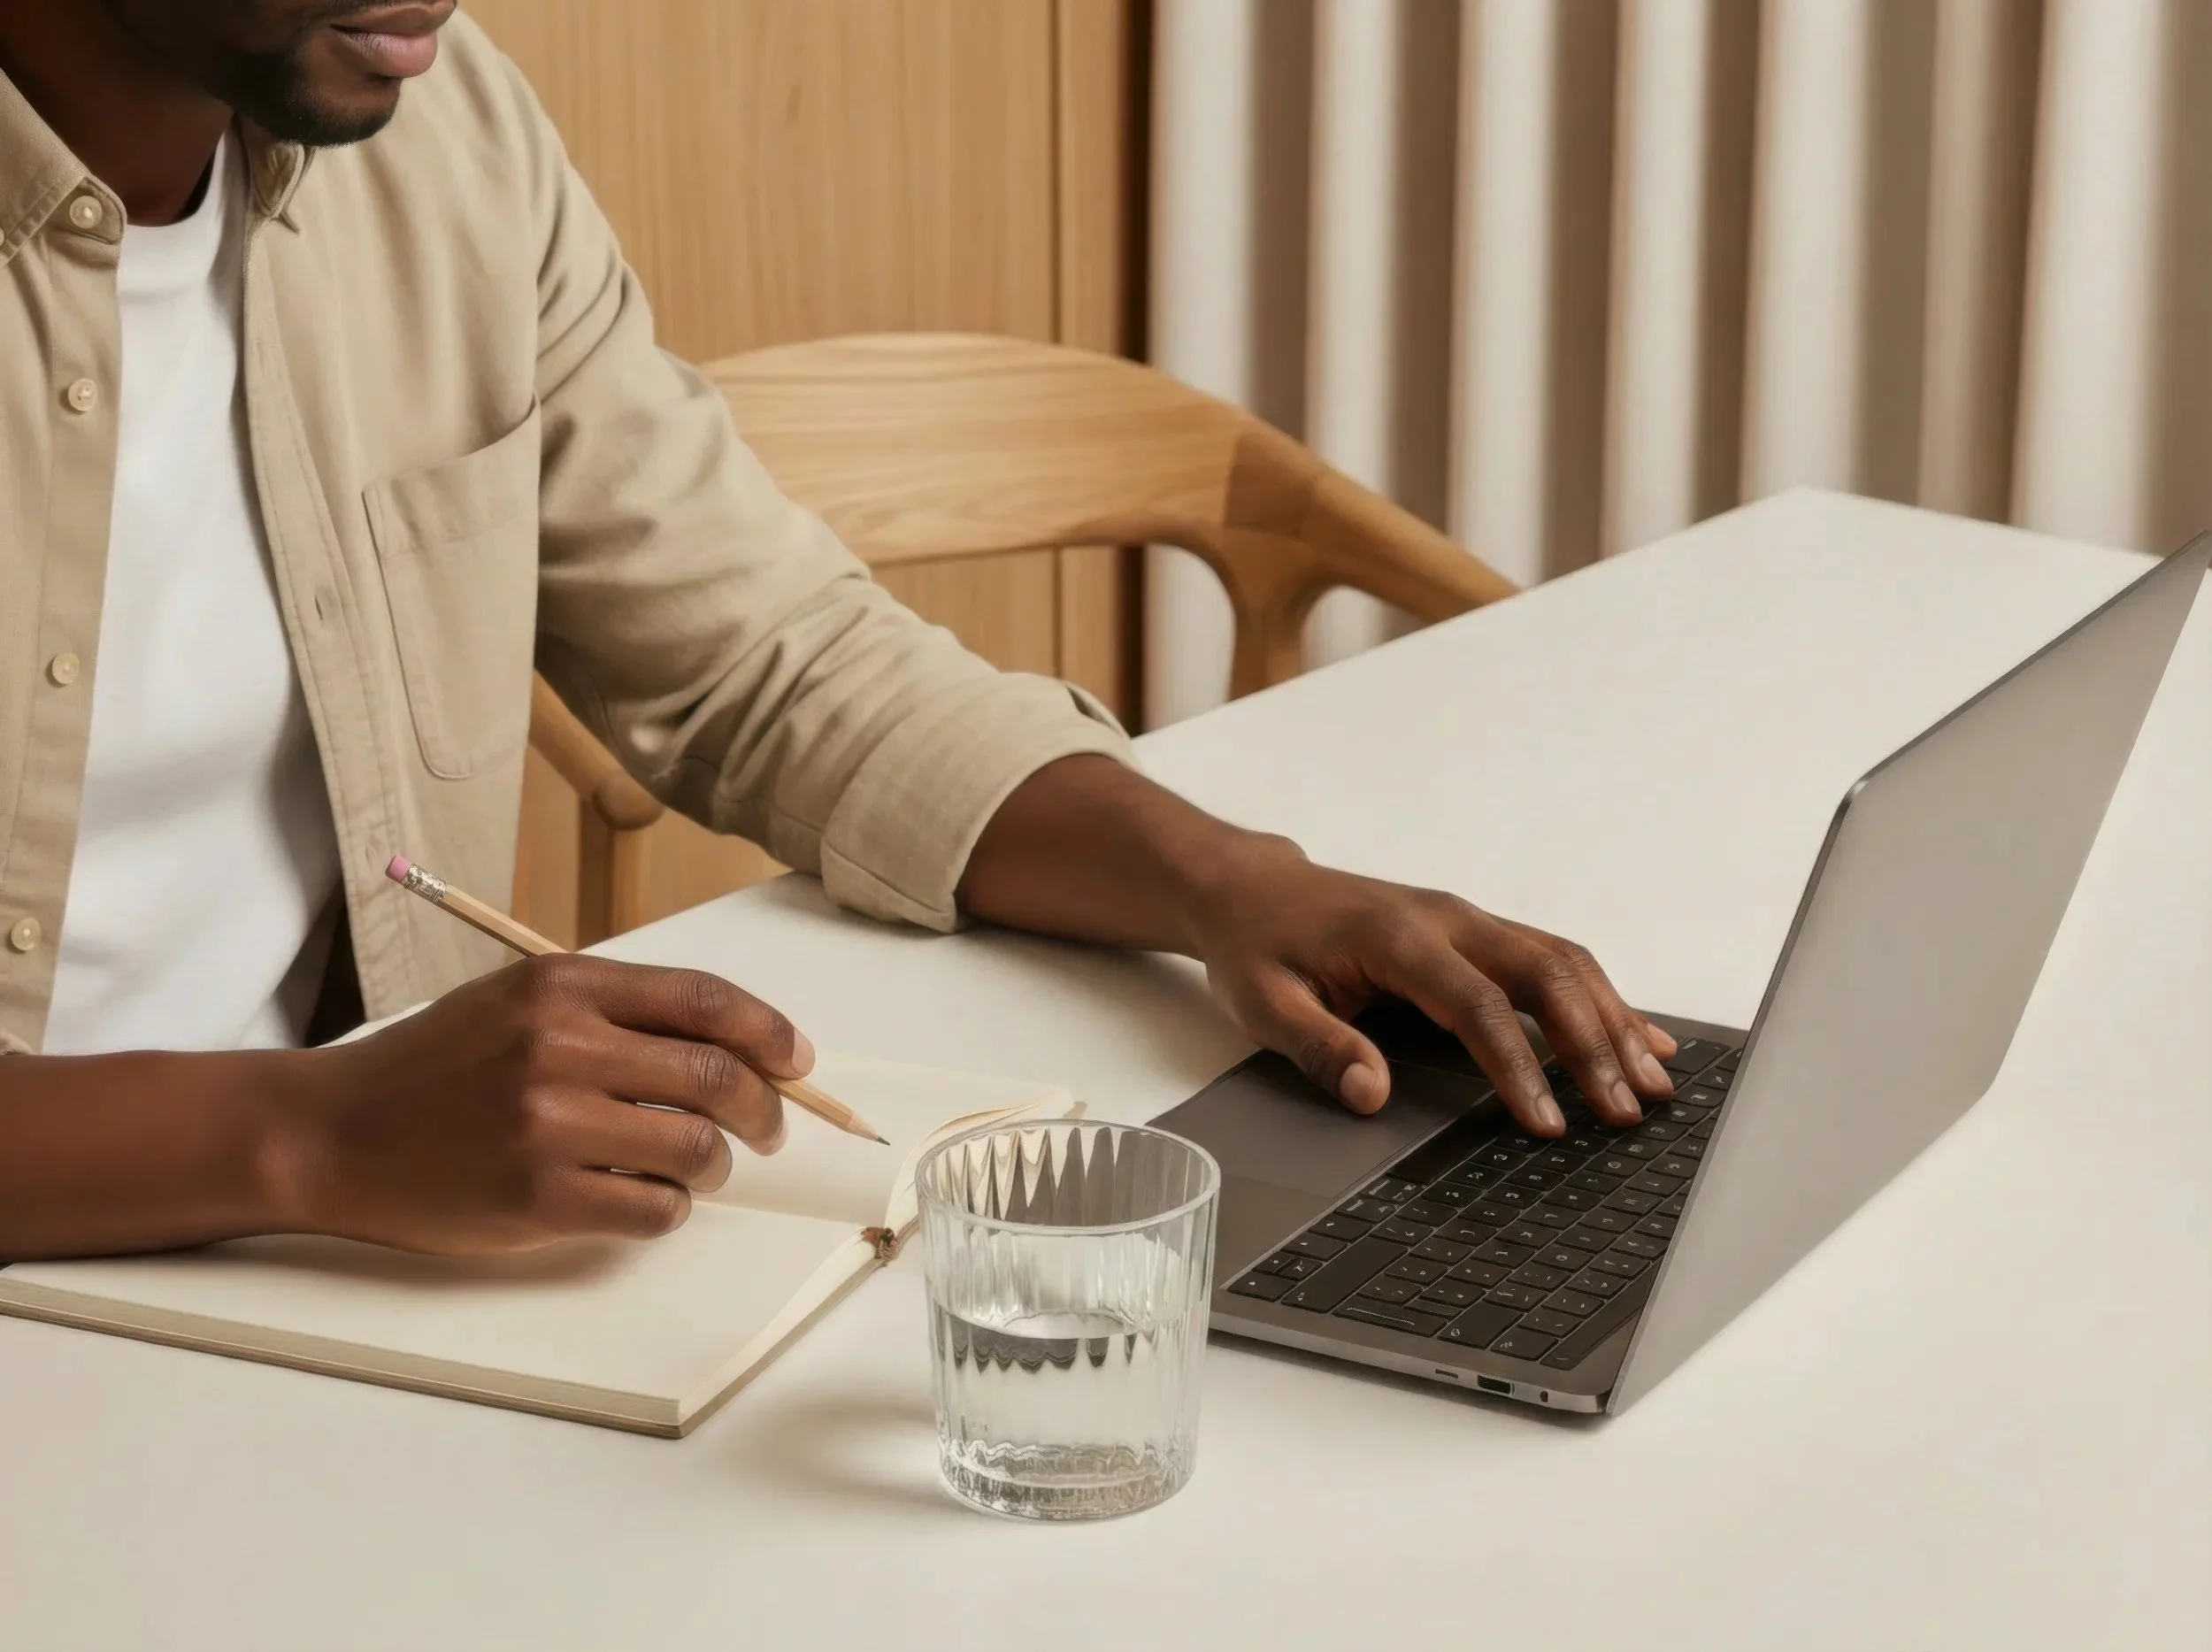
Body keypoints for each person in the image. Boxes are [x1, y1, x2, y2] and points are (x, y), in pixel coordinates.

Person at [0, 0, 1676, 1262]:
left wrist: (1233, 883)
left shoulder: (445, 142)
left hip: (331, 1287)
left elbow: (763, 656)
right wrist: (302, 1136)